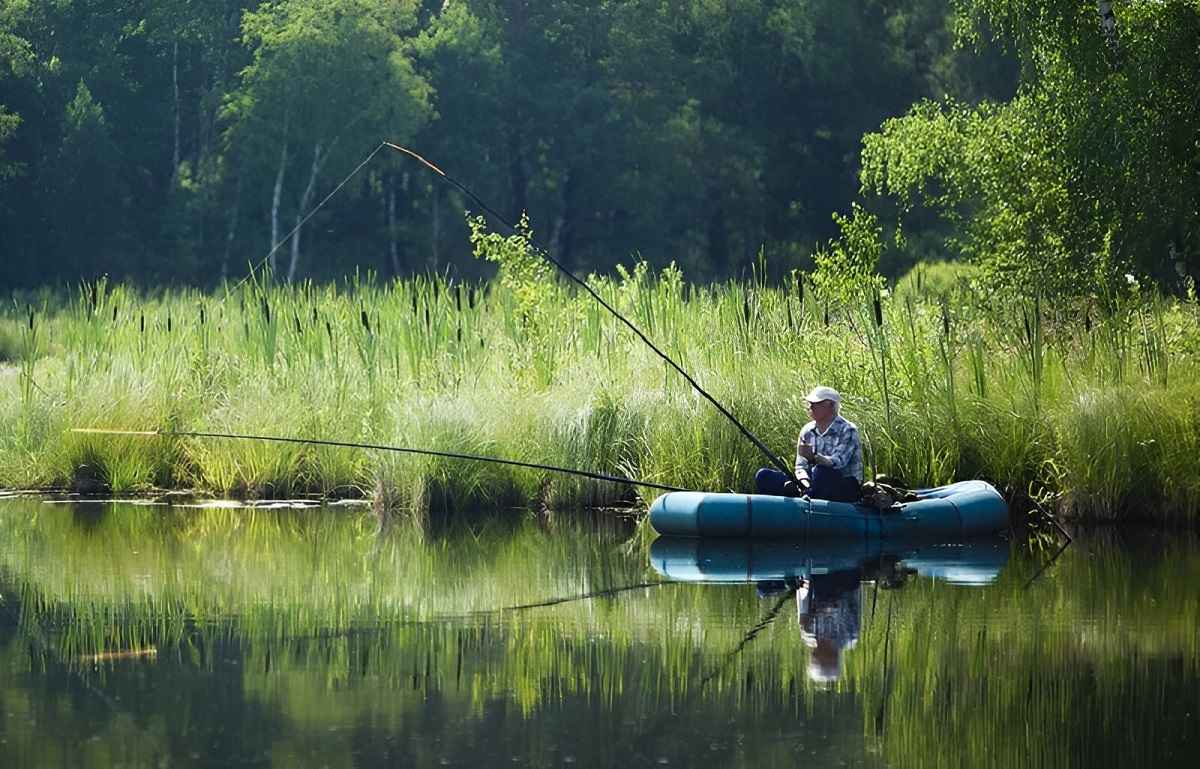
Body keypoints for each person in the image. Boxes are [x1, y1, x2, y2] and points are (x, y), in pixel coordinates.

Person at [755, 385, 863, 502]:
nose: (810, 406)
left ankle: (807, 497)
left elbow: (838, 462)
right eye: (810, 403)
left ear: (831, 405)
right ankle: (803, 495)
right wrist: (804, 483)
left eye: (815, 403)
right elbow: (801, 467)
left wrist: (815, 458)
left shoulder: (848, 430)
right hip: (813, 484)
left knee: (821, 472)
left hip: (843, 485)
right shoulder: (807, 431)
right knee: (763, 475)